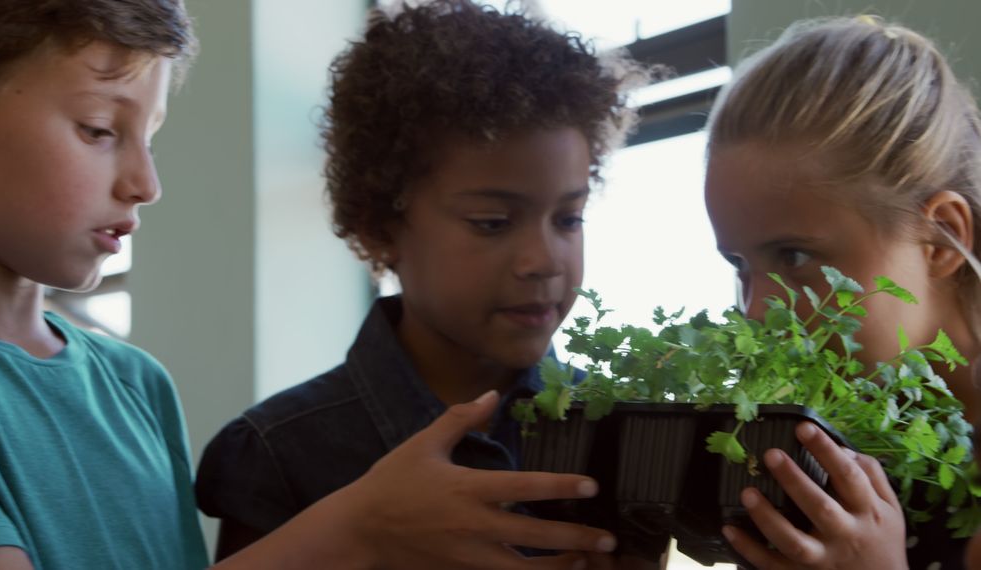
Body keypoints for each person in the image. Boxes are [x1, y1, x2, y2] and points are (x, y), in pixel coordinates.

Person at [0, 1, 626, 568]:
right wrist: (358, 530)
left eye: (149, 138)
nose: (146, 184)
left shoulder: (134, 384)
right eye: (98, 129)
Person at [195, 0, 655, 567]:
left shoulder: (625, 430)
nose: (542, 260)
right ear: (382, 227)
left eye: (569, 219)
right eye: (492, 223)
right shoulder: (278, 452)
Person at [702, 15, 981, 570]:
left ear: (940, 239)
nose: (756, 313)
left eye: (795, 257)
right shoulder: (827, 447)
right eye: (740, 266)